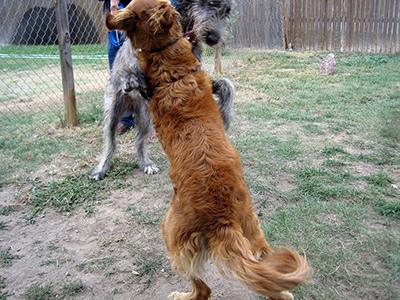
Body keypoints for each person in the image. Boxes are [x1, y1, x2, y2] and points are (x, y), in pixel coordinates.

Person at [100, 0, 135, 134]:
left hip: (133, 13)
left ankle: (147, 115)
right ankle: (125, 119)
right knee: (117, 70)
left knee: (140, 67)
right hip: (114, 15)